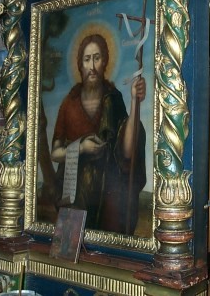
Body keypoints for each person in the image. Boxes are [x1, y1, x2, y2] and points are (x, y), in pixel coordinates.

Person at [51, 34, 146, 235]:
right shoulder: (69, 104)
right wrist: (81, 148)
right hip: (76, 191)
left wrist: (133, 102)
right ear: (80, 64)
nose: (92, 66)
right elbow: (55, 153)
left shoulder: (113, 99)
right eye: (87, 59)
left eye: (97, 58)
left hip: (107, 191)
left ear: (105, 62)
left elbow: (127, 151)